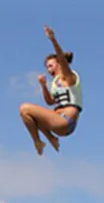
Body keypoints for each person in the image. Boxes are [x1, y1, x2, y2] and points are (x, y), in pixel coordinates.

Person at [19, 25, 83, 156]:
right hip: (57, 121)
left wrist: (53, 40)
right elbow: (50, 102)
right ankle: (51, 139)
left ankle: (38, 141)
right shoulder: (55, 83)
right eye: (47, 67)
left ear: (59, 63)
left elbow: (62, 59)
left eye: (51, 66)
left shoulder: (69, 76)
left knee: (24, 108)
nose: (48, 70)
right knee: (30, 116)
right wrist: (43, 86)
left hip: (65, 121)